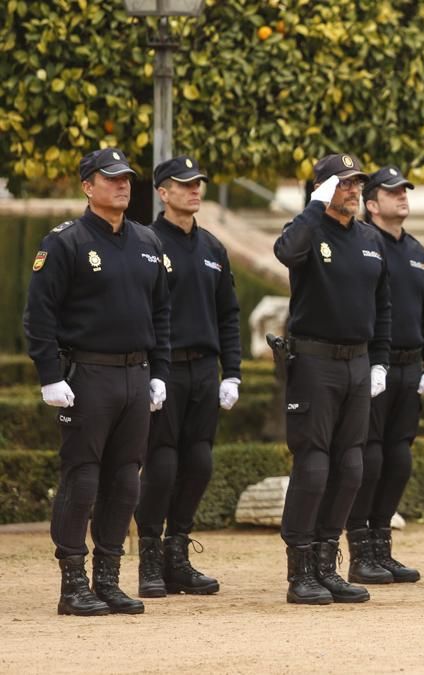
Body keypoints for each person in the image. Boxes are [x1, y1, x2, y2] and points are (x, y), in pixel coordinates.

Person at [24, 148, 171, 616]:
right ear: (88, 186)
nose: (123, 185)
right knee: (82, 478)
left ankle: (108, 579)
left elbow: (162, 313)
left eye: (126, 177)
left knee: (126, 479)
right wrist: (50, 376)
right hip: (87, 374)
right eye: (111, 178)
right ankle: (74, 584)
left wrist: (159, 373)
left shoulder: (148, 241)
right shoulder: (64, 242)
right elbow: (39, 315)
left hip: (135, 374)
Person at [273, 153, 391, 605]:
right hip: (315, 361)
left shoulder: (367, 238)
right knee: (314, 464)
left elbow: (384, 307)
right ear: (323, 188)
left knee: (351, 466)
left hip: (357, 363)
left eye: (357, 184)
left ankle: (326, 564)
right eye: (343, 184)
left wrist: (379, 361)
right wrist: (313, 206)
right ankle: (300, 568)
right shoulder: (308, 232)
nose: (354, 191)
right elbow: (286, 252)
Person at [135, 156, 241, 599]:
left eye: (197, 184)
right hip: (165, 369)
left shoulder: (213, 248)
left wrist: (232, 372)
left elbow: (229, 314)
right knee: (161, 464)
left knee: (199, 462)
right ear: (163, 192)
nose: (194, 190)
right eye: (184, 184)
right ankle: (149, 559)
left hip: (203, 369)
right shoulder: (146, 242)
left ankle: (177, 553)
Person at [343, 166, 424, 585]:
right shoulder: (363, 243)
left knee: (399, 459)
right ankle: (360, 549)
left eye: (404, 191)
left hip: (409, 365)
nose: (402, 197)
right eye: (392, 192)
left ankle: (382, 546)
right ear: (372, 203)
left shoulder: (416, 249)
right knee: (372, 457)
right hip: (372, 363)